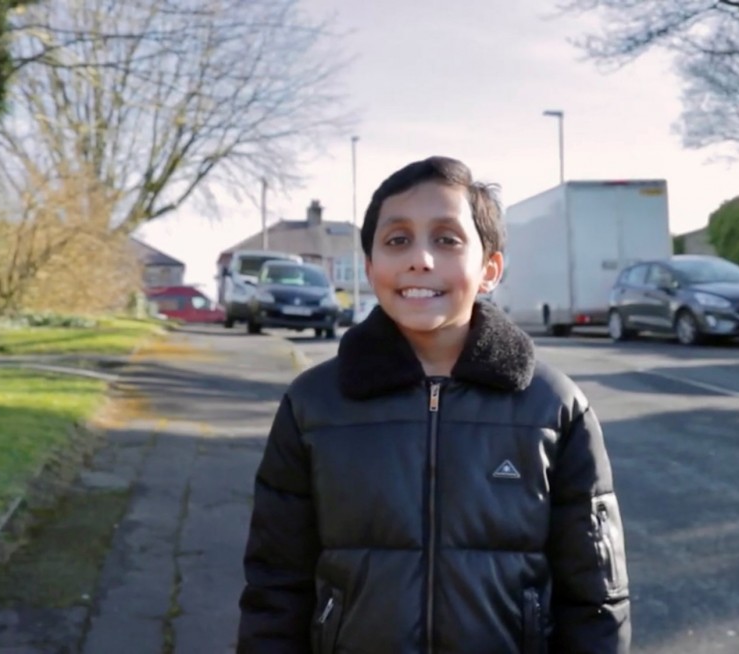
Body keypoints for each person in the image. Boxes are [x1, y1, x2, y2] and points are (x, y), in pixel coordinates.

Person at [237, 156, 630, 653]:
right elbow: (275, 587)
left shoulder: (554, 409)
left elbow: (596, 599)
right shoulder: (313, 406)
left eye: (446, 239)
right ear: (371, 266)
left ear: (490, 269)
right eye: (397, 240)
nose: (420, 258)